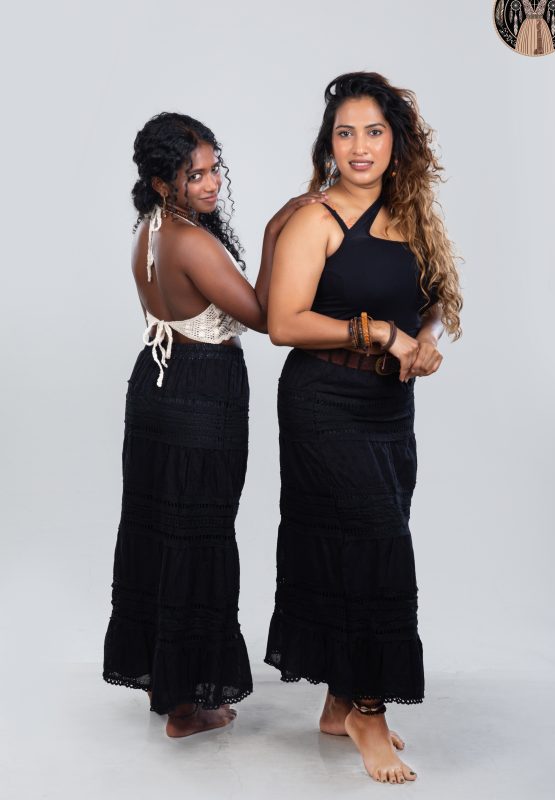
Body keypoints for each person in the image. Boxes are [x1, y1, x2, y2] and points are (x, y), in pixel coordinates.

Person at [265, 73, 462, 782]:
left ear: (395, 141)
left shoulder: (411, 212)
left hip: (388, 409)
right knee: (375, 544)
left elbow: (433, 300)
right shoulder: (315, 219)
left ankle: (338, 702)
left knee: (363, 542)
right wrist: (380, 331)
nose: (359, 146)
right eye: (344, 132)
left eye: (373, 131)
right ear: (329, 142)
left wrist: (426, 338)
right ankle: (369, 713)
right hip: (323, 402)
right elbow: (284, 323)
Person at [103, 112, 326, 738]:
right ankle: (186, 708)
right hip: (200, 392)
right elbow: (263, 314)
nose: (211, 183)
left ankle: (167, 685)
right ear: (161, 183)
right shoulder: (191, 242)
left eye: (213, 169)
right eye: (194, 174)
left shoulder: (150, 231)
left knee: (161, 532)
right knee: (198, 538)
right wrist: (276, 231)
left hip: (157, 387)